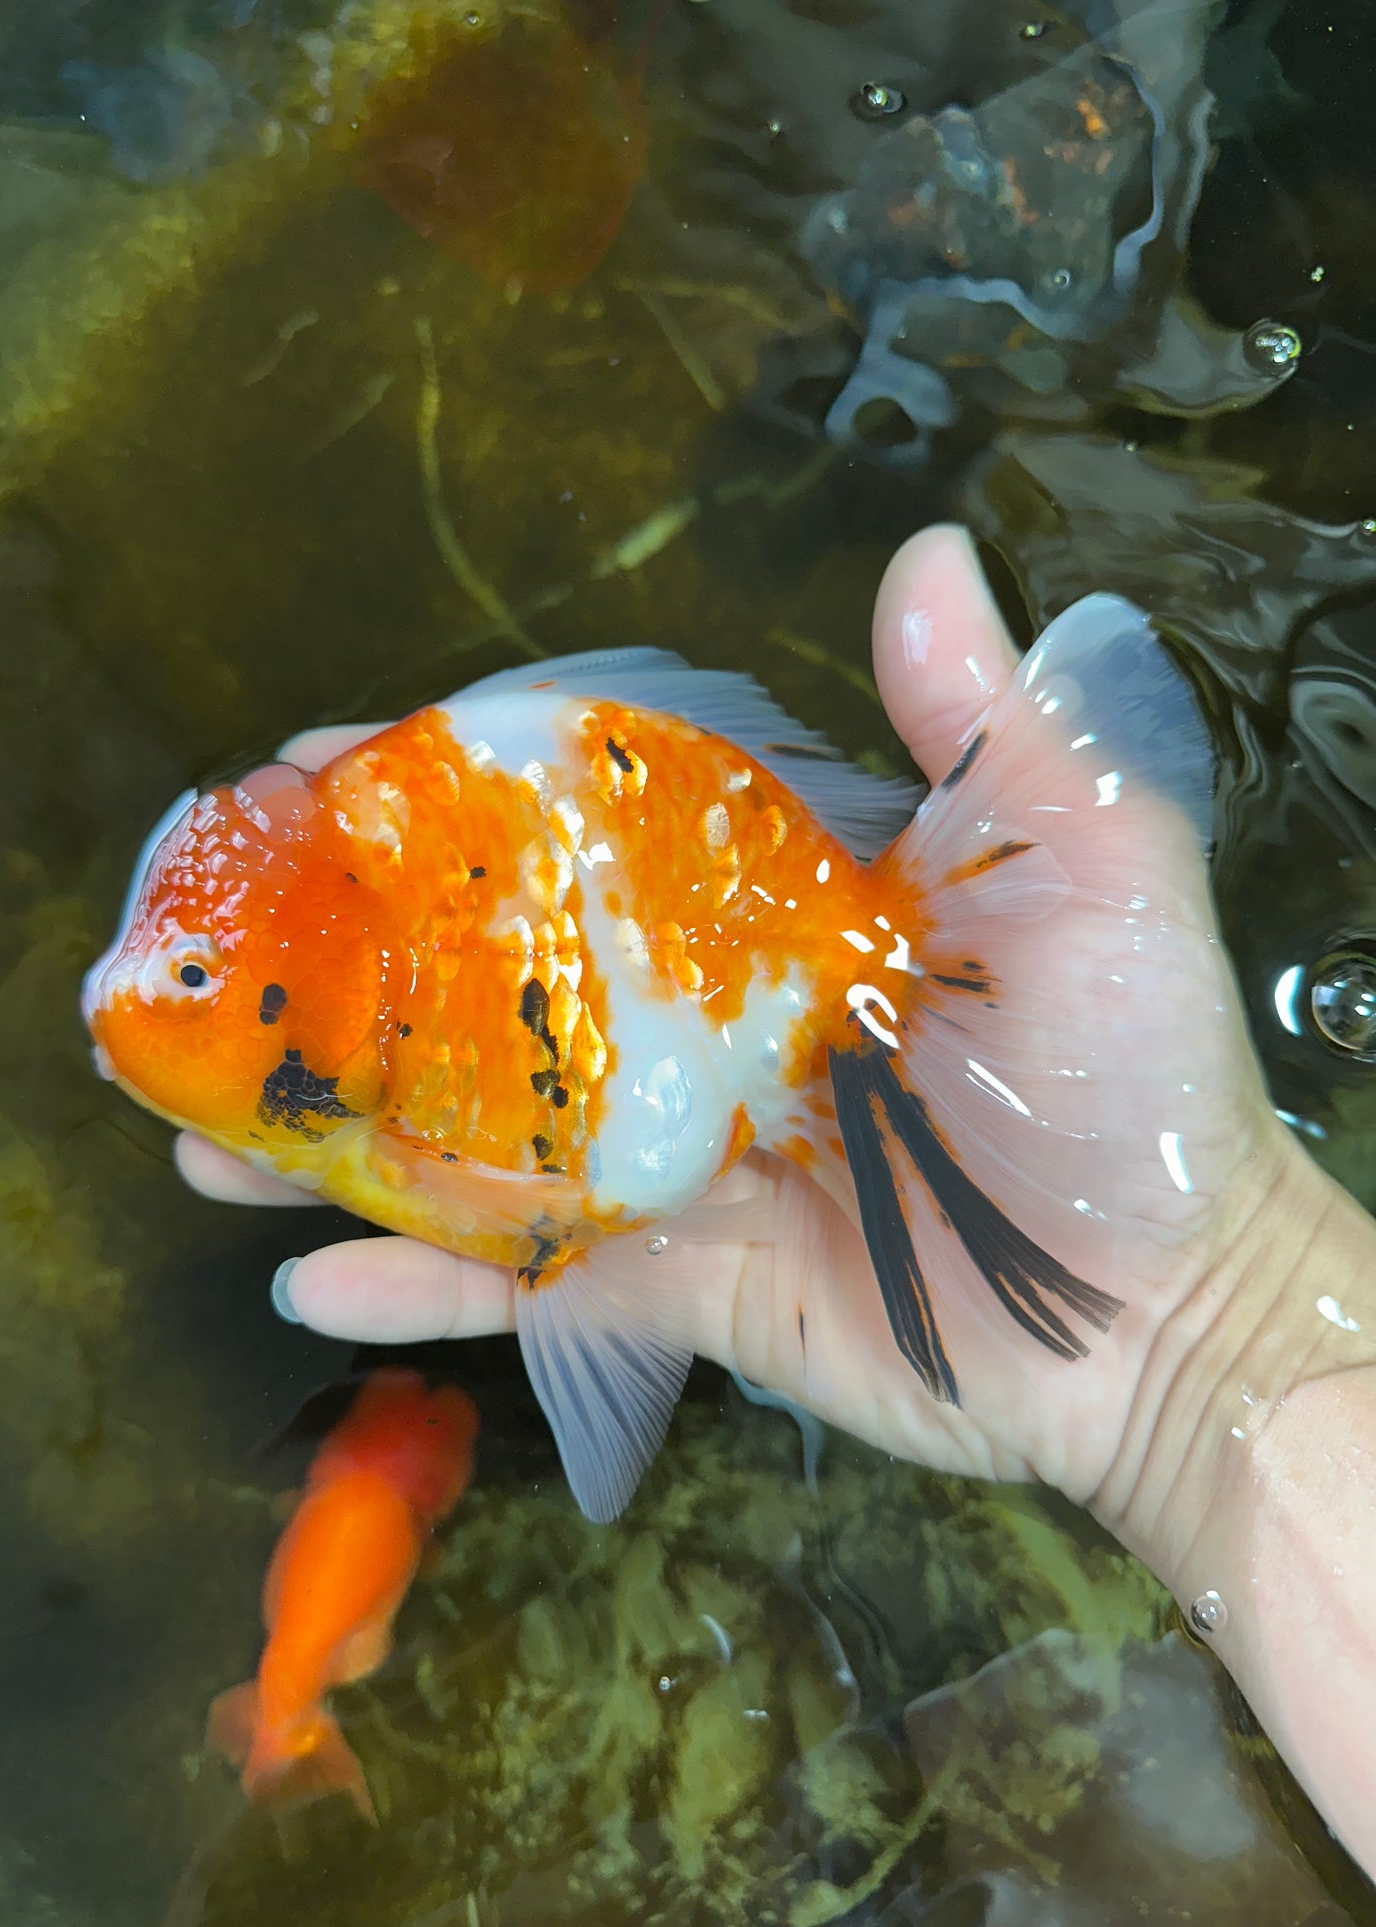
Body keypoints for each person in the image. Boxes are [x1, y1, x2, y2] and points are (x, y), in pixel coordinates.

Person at [175, 525, 1376, 1880]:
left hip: (711, 1048)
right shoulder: (376, 933)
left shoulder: (400, 1002)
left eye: (195, 981)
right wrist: (1205, 1346)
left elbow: (548, 1204)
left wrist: (1204, 1324)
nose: (132, 1005)